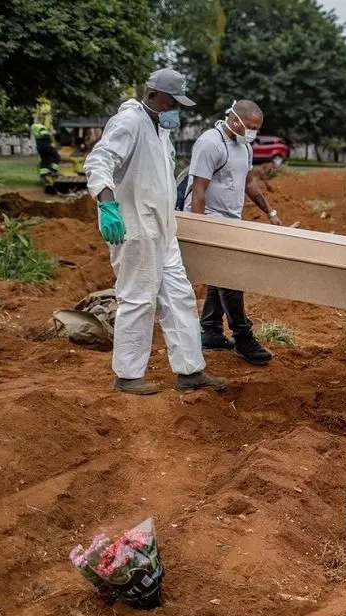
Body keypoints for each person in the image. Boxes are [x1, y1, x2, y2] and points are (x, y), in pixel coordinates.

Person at [84, 68, 225, 395]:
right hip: (135, 230)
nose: (177, 110)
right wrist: (107, 205)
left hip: (163, 230)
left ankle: (190, 371)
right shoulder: (130, 122)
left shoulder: (160, 130)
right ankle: (128, 375)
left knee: (180, 298)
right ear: (153, 96)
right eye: (173, 102)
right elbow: (99, 161)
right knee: (137, 299)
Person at [186, 99, 282, 365]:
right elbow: (199, 189)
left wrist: (270, 213)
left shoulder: (244, 146)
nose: (252, 132)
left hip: (230, 220)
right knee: (232, 277)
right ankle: (243, 338)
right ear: (234, 119)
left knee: (221, 276)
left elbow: (248, 182)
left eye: (255, 129)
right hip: (210, 219)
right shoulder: (210, 143)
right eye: (249, 127)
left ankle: (211, 330)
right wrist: (199, 228)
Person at [31, 123, 60, 188]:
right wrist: (51, 133)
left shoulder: (34, 128)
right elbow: (45, 136)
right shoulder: (41, 127)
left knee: (44, 160)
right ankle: (53, 171)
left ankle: (43, 175)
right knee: (57, 157)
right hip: (46, 146)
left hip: (40, 147)